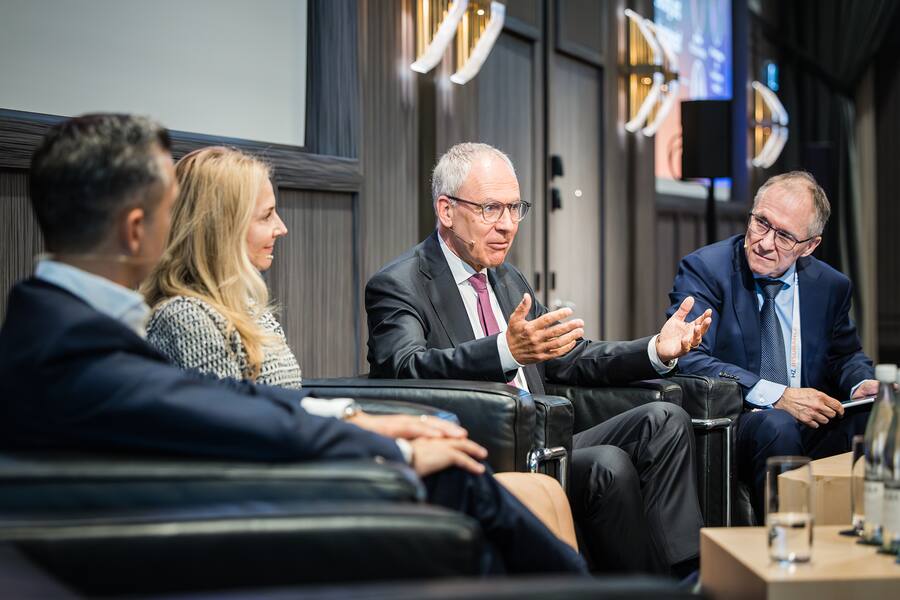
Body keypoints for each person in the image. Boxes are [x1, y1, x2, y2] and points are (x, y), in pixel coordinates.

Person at [0, 114, 587, 574]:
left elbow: (225, 403)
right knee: (455, 482)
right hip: (233, 525)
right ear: (135, 229)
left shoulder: (59, 322)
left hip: (243, 492)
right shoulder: (74, 345)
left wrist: (361, 419)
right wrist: (388, 450)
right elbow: (218, 420)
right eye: (166, 209)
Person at [141, 145, 577, 549]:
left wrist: (366, 421)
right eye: (267, 215)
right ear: (223, 226)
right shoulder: (187, 319)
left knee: (543, 490)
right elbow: (242, 437)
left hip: (314, 460)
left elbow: (284, 407)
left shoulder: (250, 311)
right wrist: (383, 444)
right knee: (527, 494)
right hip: (293, 484)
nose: (282, 227)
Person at [366, 142, 712, 576]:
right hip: (485, 447)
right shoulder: (399, 284)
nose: (508, 226)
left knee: (664, 419)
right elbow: (404, 369)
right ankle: (637, 588)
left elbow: (571, 357)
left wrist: (654, 350)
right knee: (608, 465)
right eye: (491, 209)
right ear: (446, 210)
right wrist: (504, 351)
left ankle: (685, 574)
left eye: (515, 208)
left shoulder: (507, 277)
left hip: (544, 436)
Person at [666, 171, 876, 520]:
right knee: (777, 425)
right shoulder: (707, 270)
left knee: (876, 416)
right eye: (761, 222)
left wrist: (862, 383)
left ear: (809, 246)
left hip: (810, 418)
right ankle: (784, 550)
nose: (764, 242)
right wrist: (778, 396)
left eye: (784, 236)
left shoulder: (830, 285)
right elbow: (688, 357)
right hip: (742, 420)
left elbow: (845, 355)